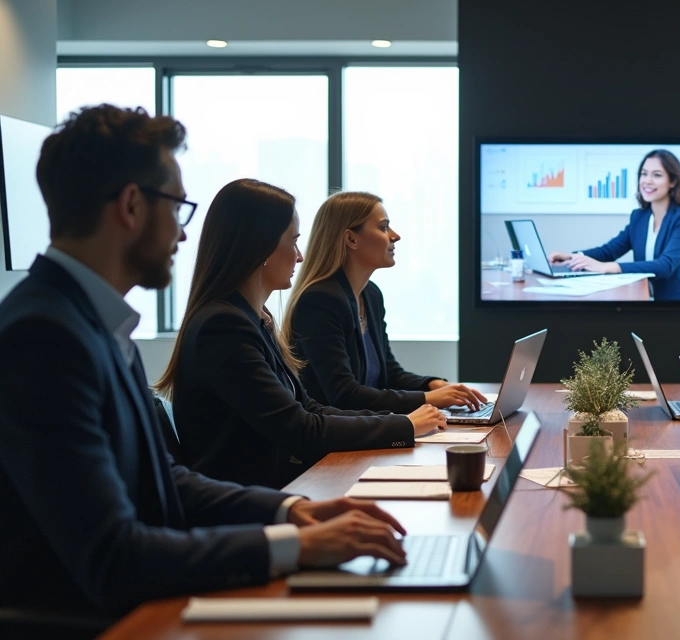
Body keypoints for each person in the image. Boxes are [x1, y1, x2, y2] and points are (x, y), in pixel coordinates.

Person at [0, 105, 410, 615]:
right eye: (176, 208)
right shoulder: (44, 337)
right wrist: (296, 546)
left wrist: (292, 511)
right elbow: (113, 557)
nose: (183, 233)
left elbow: (166, 479)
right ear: (131, 206)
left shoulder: (92, 320)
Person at [155, 179, 445, 489]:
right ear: (260, 246)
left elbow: (310, 409)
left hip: (278, 486)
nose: (299, 256)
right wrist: (403, 425)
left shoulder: (252, 318)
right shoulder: (224, 327)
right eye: (293, 242)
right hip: (250, 502)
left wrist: (402, 423)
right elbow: (300, 430)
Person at [282, 191, 487, 413]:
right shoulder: (320, 301)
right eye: (383, 227)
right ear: (351, 239)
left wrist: (432, 384)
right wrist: (429, 398)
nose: (395, 235)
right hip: (334, 441)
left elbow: (389, 374)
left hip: (367, 428)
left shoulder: (370, 294)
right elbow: (344, 395)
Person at [547, 149, 680, 301]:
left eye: (657, 175)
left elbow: (666, 265)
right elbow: (609, 251)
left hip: (678, 302)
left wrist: (607, 267)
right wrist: (572, 257)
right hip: (644, 296)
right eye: (644, 173)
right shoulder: (639, 217)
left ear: (672, 181)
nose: (647, 180)